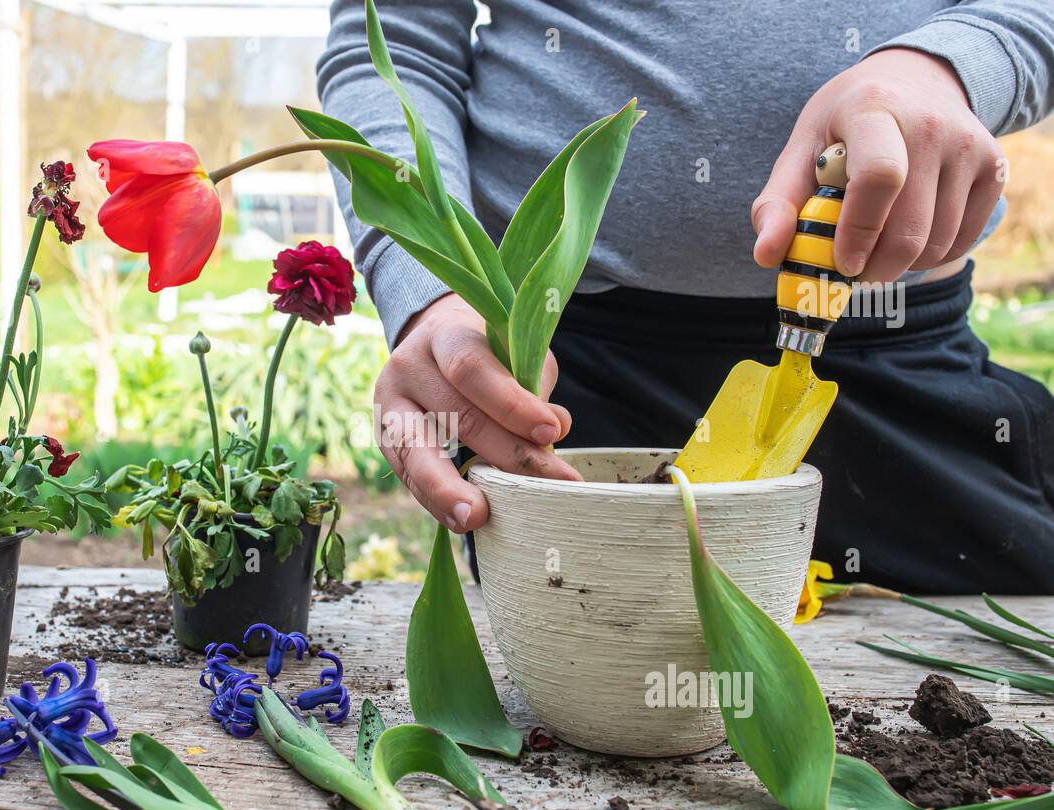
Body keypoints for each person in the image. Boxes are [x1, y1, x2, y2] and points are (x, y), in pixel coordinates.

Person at [317, 0, 1054, 594]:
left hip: (899, 364)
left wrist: (948, 68)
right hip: (565, 382)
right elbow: (396, 46)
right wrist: (430, 290)